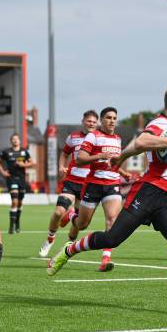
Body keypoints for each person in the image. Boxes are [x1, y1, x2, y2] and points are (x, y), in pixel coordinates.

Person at [47, 85, 167, 308]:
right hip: (149, 192)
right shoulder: (161, 124)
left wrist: (122, 156)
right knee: (111, 238)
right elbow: (143, 141)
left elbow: (135, 147)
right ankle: (69, 250)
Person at [66, 107, 131, 272]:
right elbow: (80, 159)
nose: (112, 121)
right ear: (102, 120)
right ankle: (71, 215)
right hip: (94, 184)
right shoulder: (92, 136)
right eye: (108, 118)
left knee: (112, 220)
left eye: (115, 118)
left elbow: (114, 162)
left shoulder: (118, 139)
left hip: (112, 184)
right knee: (82, 224)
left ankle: (105, 260)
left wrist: (123, 172)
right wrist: (99, 156)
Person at [39, 110, 98, 257]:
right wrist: (61, 166)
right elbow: (64, 153)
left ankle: (68, 245)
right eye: (88, 121)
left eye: (94, 121)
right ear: (83, 121)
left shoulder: (99, 139)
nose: (91, 123)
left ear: (97, 124)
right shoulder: (73, 137)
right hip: (71, 181)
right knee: (59, 211)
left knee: (79, 223)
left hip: (88, 185)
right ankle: (50, 239)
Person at [0, 133, 35, 234]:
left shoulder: (24, 151)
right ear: (11, 141)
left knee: (20, 202)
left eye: (16, 139)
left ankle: (17, 222)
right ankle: (11, 226)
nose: (15, 141)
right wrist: (3, 172)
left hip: (22, 179)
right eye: (13, 139)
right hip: (11, 178)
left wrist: (23, 164)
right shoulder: (6, 151)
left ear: (19, 141)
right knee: (14, 201)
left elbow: (32, 163)